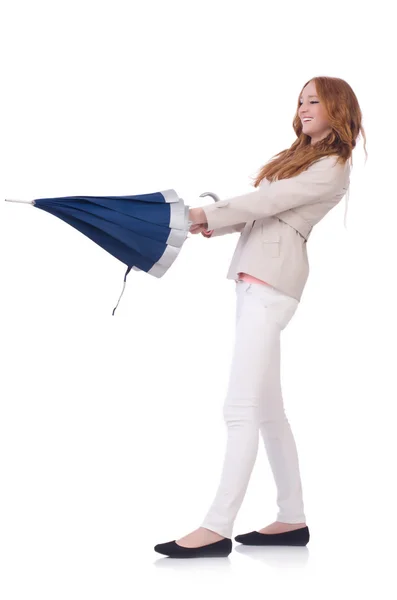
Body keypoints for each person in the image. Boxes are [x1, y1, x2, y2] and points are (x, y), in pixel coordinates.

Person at [154, 76, 367, 558]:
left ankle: (216, 527)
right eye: (300, 100)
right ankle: (292, 519)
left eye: (314, 100)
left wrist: (202, 215)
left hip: (272, 284)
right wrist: (217, 222)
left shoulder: (333, 165)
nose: (304, 106)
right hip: (257, 277)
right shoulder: (301, 158)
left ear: (338, 107)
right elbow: (262, 210)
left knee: (239, 408)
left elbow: (270, 203)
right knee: (269, 412)